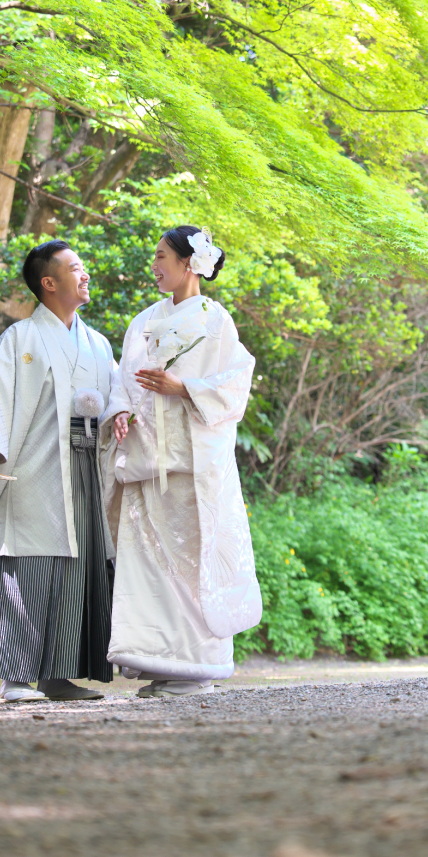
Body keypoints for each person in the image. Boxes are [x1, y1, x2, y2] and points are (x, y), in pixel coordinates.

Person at [101, 225, 262, 698]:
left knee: (192, 564)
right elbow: (122, 381)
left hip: (191, 465)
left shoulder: (217, 321)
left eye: (161, 256)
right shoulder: (141, 321)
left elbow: (235, 385)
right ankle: (157, 663)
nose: (154, 265)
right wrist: (121, 413)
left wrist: (182, 388)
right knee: (148, 564)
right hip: (147, 461)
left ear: (189, 263)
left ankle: (196, 667)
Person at [0, 240, 116, 702]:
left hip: (84, 467)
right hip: (33, 468)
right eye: (75, 268)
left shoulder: (98, 343)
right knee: (28, 561)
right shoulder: (21, 338)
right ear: (48, 283)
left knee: (78, 565)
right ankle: (16, 676)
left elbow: (120, 393)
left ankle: (57, 674)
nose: (85, 274)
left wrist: (124, 415)